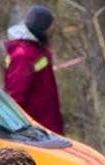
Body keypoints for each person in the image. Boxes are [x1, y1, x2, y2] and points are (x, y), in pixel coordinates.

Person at [4, 5, 64, 135]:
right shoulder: (24, 55)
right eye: (50, 27)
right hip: (37, 130)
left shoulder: (37, 49)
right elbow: (15, 96)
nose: (52, 31)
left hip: (48, 123)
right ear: (42, 28)